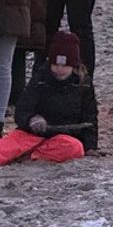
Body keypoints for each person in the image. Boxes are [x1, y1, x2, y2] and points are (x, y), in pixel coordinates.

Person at [0, 32, 97, 164]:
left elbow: (90, 118)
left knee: (74, 148)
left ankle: (31, 156)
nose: (59, 69)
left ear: (74, 66)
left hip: (63, 138)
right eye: (55, 64)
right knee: (4, 148)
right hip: (31, 135)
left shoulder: (84, 84)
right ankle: (26, 153)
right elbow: (22, 108)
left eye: (65, 65)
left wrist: (91, 147)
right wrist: (31, 120)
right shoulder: (41, 78)